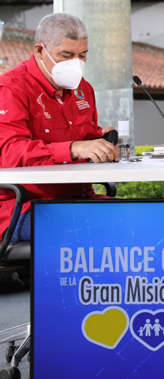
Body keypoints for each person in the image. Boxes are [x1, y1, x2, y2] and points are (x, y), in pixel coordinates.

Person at [0, 12, 118, 241]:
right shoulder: (11, 88)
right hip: (23, 207)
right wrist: (73, 148)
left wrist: (103, 143)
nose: (76, 63)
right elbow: (9, 152)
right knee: (90, 231)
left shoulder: (84, 89)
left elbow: (87, 140)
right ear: (39, 51)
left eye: (82, 55)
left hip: (81, 199)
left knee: (144, 218)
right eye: (66, 55)